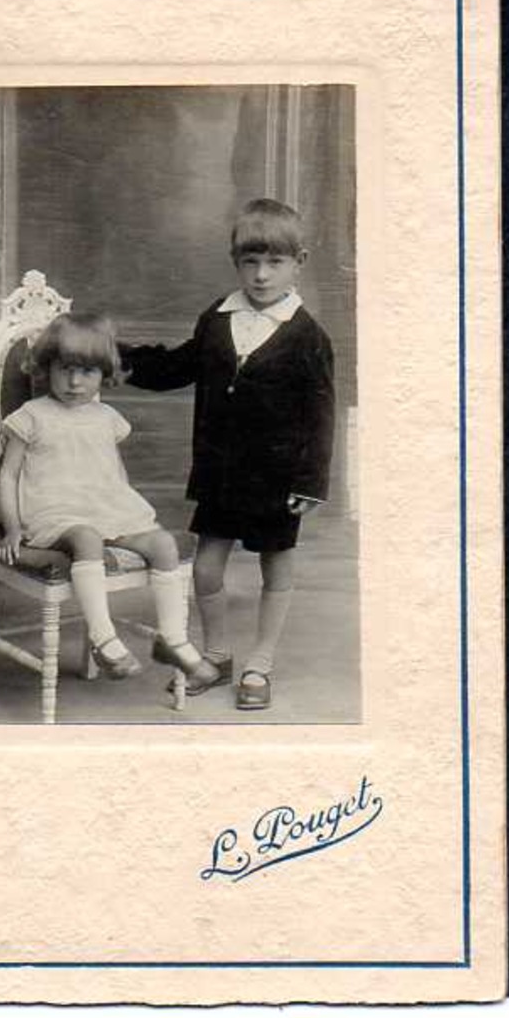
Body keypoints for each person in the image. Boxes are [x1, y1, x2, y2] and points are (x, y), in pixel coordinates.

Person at [121, 199, 335, 710]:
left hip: (279, 478)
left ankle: (260, 663)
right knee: (207, 570)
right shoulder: (218, 318)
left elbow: (320, 415)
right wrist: (122, 360)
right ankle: (217, 655)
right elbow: (177, 367)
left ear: (299, 261)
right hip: (220, 473)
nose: (261, 276)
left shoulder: (308, 337)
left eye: (275, 263)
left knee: (275, 567)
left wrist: (311, 482)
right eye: (250, 263)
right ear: (236, 261)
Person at [0, 311, 217, 685]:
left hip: (103, 505)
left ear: (104, 374)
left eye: (87, 372)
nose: (75, 381)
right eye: (65, 369)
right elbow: (8, 474)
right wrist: (13, 528)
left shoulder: (106, 416)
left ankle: (173, 639)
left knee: (162, 542)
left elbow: (110, 470)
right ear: (46, 367)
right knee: (87, 538)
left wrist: (124, 510)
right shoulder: (32, 415)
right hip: (54, 510)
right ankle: (104, 638)